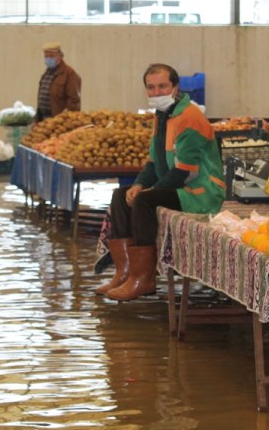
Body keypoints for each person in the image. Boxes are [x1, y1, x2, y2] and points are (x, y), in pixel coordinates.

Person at [97, 63, 226, 302]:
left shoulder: (189, 117)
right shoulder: (163, 116)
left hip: (200, 191)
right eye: (151, 87)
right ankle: (125, 272)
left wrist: (151, 191)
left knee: (145, 201)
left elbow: (186, 172)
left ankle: (144, 279)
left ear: (175, 87)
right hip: (179, 185)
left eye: (162, 86)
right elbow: (154, 162)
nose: (157, 92)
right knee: (121, 195)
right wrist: (137, 185)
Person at [36, 41, 81, 121]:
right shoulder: (47, 73)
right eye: (46, 56)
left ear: (60, 56)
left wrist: (65, 118)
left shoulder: (69, 73)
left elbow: (74, 100)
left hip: (58, 121)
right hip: (44, 118)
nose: (48, 59)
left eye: (51, 56)